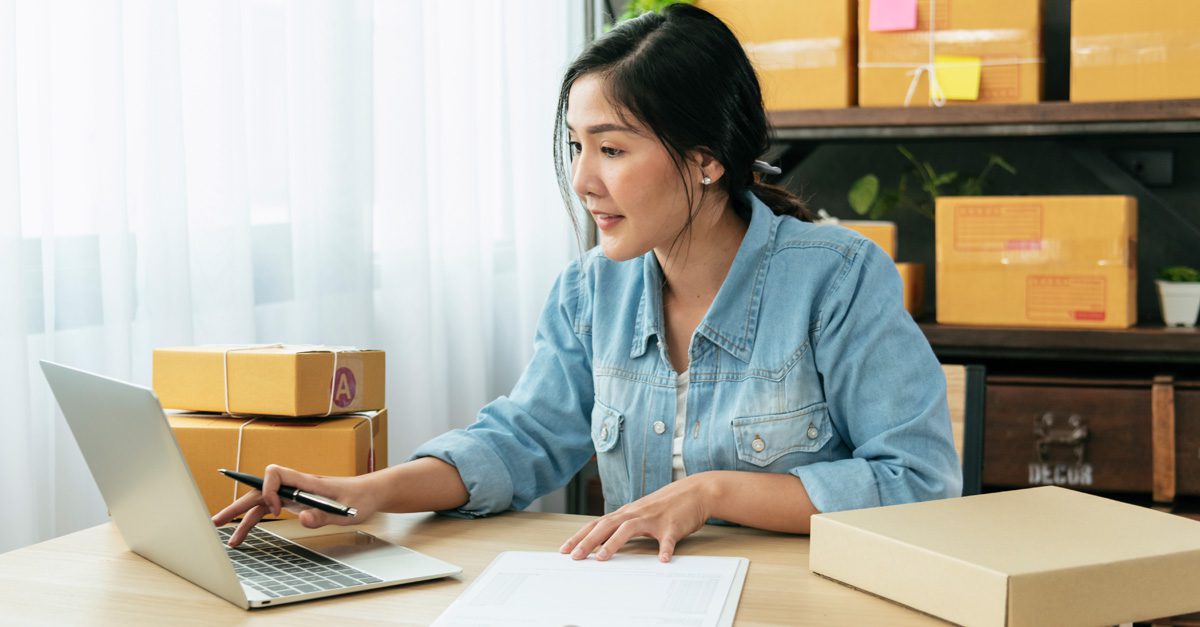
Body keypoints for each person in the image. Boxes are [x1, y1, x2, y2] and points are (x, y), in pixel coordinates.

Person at [214, 4, 961, 563]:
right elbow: (519, 440)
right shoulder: (588, 293)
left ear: (707, 158)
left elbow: (921, 482)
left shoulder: (836, 277)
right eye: (576, 146)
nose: (581, 179)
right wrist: (365, 491)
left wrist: (714, 492)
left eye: (611, 147)